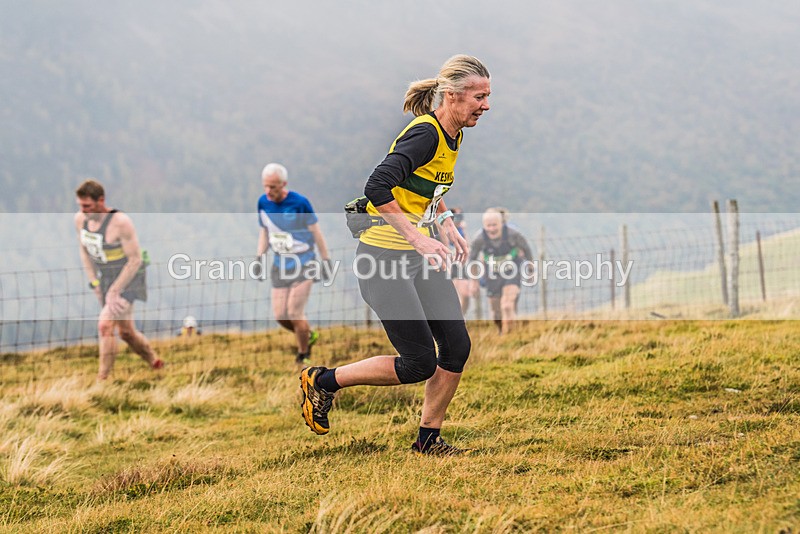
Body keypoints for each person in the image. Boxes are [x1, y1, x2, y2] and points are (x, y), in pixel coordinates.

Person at [300, 55, 491, 455]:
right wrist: (417, 237)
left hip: (419, 258)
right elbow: (378, 186)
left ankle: (428, 440)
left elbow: (426, 186)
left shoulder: (455, 133)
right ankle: (322, 380)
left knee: (456, 347)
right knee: (418, 362)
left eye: (487, 96)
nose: (485, 105)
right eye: (479, 96)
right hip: (383, 259)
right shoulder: (425, 133)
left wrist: (445, 221)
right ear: (453, 96)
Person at [74, 179, 163, 380]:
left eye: (87, 206)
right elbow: (84, 252)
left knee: (105, 325)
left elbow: (135, 259)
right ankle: (155, 362)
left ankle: (102, 380)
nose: (83, 210)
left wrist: (115, 290)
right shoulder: (80, 220)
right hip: (106, 278)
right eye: (80, 205)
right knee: (126, 333)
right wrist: (94, 282)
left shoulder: (121, 223)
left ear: (101, 201)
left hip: (130, 277)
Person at [256, 163, 331, 365]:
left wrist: (325, 261)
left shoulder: (300, 203)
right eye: (266, 186)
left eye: (273, 187)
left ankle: (303, 353)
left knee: (294, 312)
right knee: (280, 315)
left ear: (283, 184)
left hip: (305, 262)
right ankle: (308, 333)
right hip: (280, 264)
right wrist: (259, 257)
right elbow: (265, 231)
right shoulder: (263, 202)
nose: (268, 191)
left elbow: (316, 232)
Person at [468, 208, 533, 334]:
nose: (492, 229)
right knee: (496, 312)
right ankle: (501, 331)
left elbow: (527, 250)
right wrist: (473, 282)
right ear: (484, 225)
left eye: (494, 225)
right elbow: (472, 260)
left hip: (512, 271)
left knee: (507, 305)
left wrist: (530, 271)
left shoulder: (513, 234)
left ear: (501, 223)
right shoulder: (479, 239)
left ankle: (510, 335)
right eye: (489, 226)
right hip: (492, 274)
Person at [439, 207, 472, 315]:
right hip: (447, 263)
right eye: (455, 218)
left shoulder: (462, 230)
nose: (458, 220)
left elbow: (467, 245)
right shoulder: (443, 228)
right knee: (452, 295)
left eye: (460, 217)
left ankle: (462, 316)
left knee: (466, 294)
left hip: (460, 264)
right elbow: (445, 246)